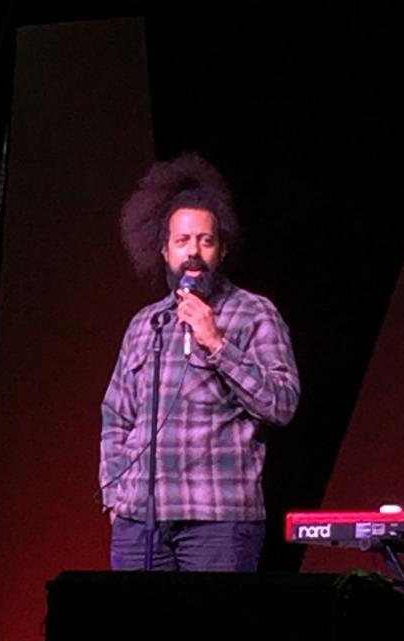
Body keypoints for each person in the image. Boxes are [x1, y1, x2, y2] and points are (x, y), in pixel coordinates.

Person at [98, 152, 300, 571]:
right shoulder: (145, 324)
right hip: (141, 522)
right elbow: (116, 415)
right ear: (165, 251)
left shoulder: (255, 313)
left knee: (211, 636)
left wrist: (217, 343)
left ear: (221, 250)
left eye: (205, 241)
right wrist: (115, 494)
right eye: (183, 241)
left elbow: (282, 404)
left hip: (218, 522)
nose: (194, 252)